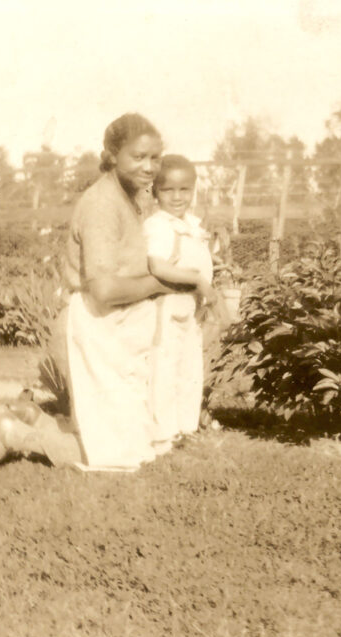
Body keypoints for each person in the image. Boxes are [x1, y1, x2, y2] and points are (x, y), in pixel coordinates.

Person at [0, 113, 191, 470]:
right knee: (118, 459)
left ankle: (34, 417)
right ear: (112, 155)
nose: (149, 167)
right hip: (94, 329)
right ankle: (15, 435)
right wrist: (167, 283)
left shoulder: (137, 197)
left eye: (155, 157)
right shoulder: (101, 203)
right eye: (138, 157)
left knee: (140, 442)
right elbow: (104, 292)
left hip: (121, 329)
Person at [143, 155, 228, 452]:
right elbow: (158, 266)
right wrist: (198, 281)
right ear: (155, 192)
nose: (177, 197)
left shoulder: (190, 225)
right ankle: (163, 435)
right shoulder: (158, 225)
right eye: (168, 190)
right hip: (166, 306)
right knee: (163, 367)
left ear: (193, 190)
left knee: (189, 368)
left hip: (189, 307)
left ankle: (185, 427)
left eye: (184, 190)